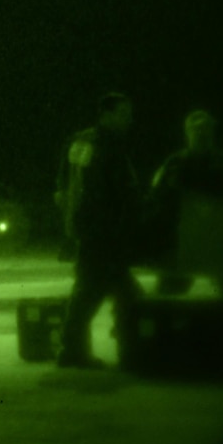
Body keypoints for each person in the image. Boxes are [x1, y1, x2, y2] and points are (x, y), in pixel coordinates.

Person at [54, 93, 145, 368]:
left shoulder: (79, 140)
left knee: (106, 289)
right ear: (106, 114)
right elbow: (114, 190)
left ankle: (78, 349)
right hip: (103, 229)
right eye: (123, 113)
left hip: (84, 227)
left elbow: (63, 183)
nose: (129, 120)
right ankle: (124, 350)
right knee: (98, 291)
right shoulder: (109, 145)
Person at [149, 110, 223, 296]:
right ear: (187, 132)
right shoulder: (175, 162)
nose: (202, 133)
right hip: (184, 240)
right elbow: (158, 195)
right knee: (168, 294)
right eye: (197, 129)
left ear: (213, 132)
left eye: (207, 129)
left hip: (214, 237)